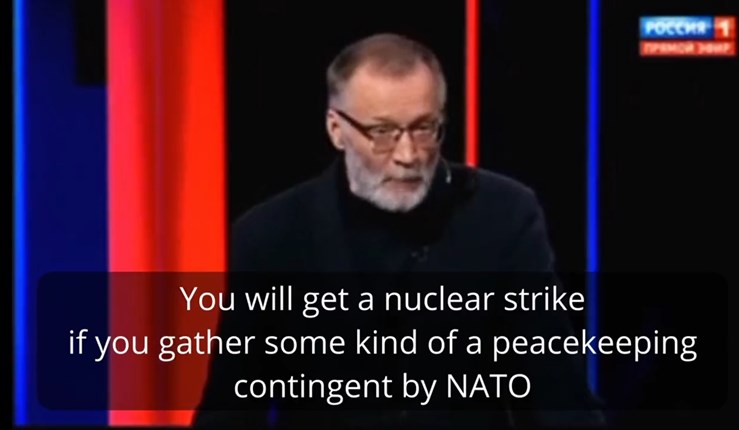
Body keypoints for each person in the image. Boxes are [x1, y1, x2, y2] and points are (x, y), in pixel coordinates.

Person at [194, 33, 604, 429]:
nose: (408, 155)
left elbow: (558, 395)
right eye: (382, 133)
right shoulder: (272, 236)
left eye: (424, 128)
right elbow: (231, 408)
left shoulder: (504, 215)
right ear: (336, 130)